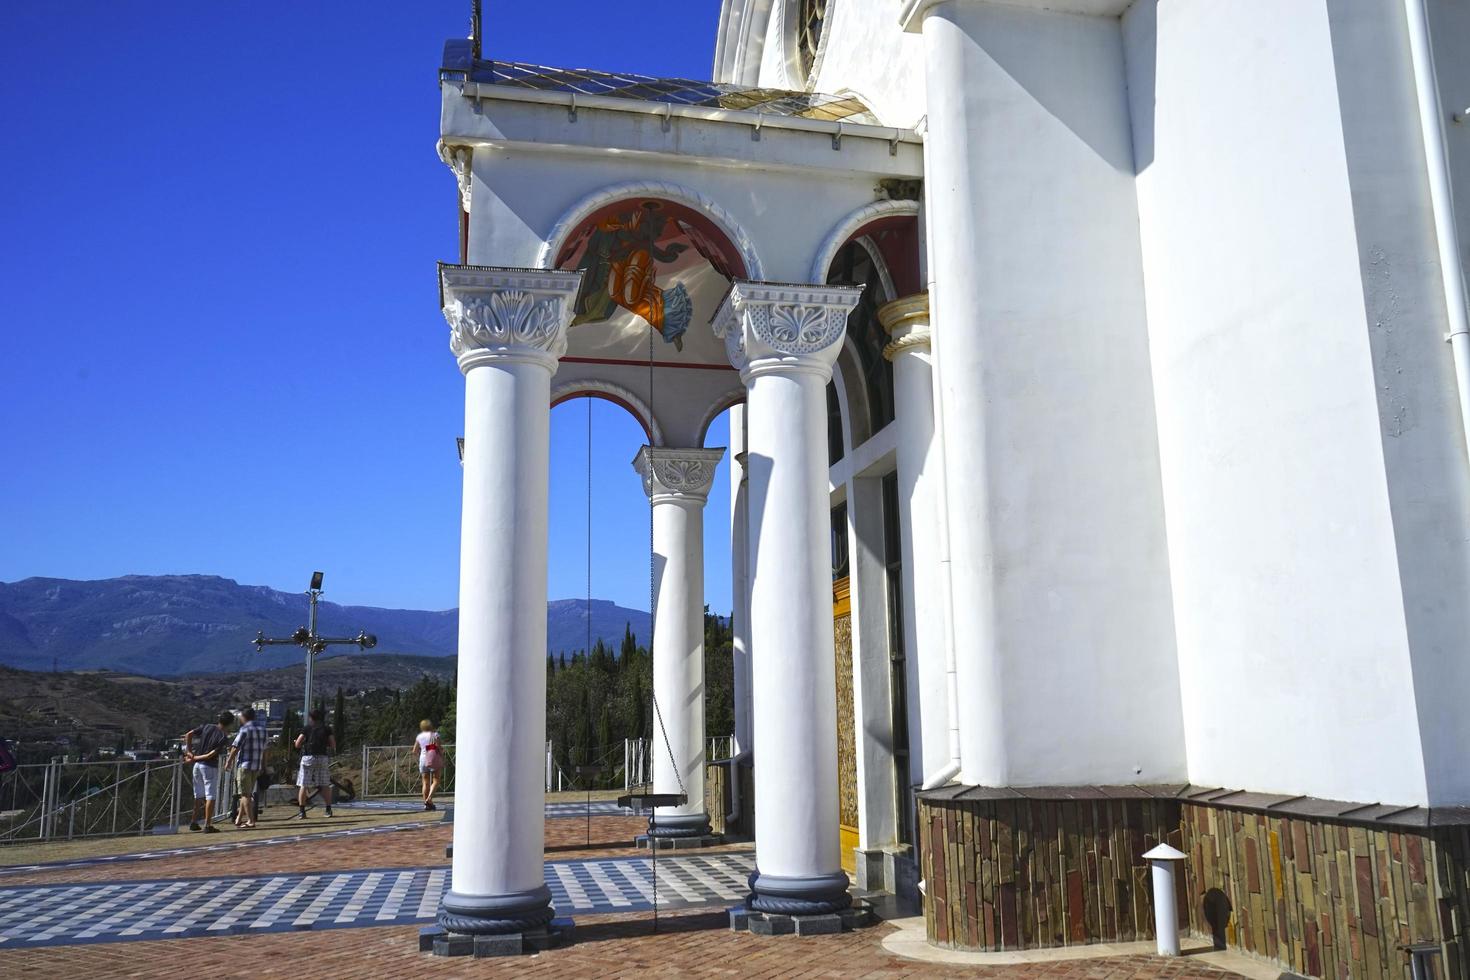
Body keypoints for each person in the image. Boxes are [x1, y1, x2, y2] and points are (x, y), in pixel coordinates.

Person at [183, 712, 234, 833]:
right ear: (230, 724)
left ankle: (193, 822)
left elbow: (189, 734)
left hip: (197, 766)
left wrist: (189, 752)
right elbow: (211, 754)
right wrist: (195, 757)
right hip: (209, 766)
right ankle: (207, 824)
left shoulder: (207, 726)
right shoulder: (223, 737)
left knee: (198, 794)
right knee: (211, 795)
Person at [224, 707, 267, 829]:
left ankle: (250, 820)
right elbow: (265, 750)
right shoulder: (263, 729)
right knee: (247, 793)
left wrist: (229, 761)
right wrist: (264, 766)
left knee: (244, 794)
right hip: (256, 766)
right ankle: (238, 818)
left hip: (245, 765)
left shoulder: (244, 730)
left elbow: (235, 747)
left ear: (244, 717)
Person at [293, 707, 335, 819]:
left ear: (310, 717)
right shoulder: (327, 729)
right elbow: (333, 744)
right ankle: (328, 809)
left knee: (304, 784)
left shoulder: (306, 728)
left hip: (308, 758)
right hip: (322, 758)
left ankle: (302, 811)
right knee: (325, 784)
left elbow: (297, 744)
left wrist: (299, 744)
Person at [413, 719, 444, 811]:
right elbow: (439, 747)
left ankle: (426, 804)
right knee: (436, 780)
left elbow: (414, 751)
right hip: (434, 759)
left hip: (423, 759)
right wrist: (442, 756)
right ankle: (429, 799)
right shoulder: (435, 735)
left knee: (425, 782)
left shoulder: (419, 736)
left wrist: (421, 754)